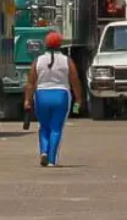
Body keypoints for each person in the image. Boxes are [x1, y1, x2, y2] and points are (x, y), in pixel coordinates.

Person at [24, 31, 84, 167]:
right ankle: (52, 160)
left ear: (46, 44)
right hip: (61, 96)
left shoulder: (38, 61)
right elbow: (75, 81)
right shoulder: (67, 61)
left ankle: (43, 151)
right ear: (60, 45)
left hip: (41, 96)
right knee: (56, 128)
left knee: (43, 127)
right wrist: (78, 99)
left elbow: (31, 83)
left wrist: (27, 100)